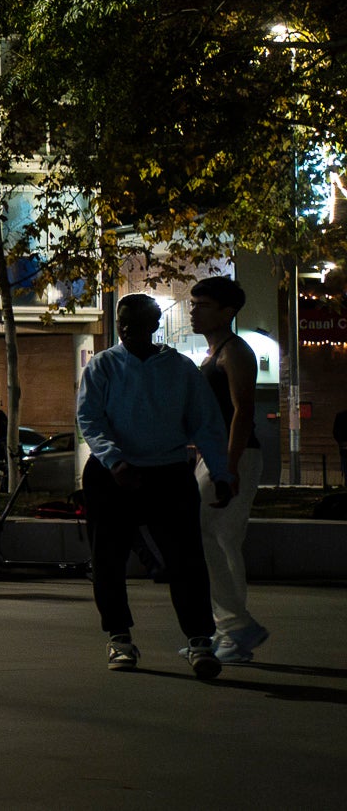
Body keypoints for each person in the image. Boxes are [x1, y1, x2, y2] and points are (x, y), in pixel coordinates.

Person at [77, 292, 233, 680]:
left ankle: (199, 640)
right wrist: (116, 461)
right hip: (113, 475)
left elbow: (207, 425)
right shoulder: (103, 366)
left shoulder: (180, 369)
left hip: (167, 473)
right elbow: (90, 420)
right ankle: (119, 636)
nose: (127, 328)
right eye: (122, 322)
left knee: (186, 559)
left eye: (136, 321)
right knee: (108, 560)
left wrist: (222, 473)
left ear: (155, 325)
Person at [185, 276, 267, 663]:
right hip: (215, 457)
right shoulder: (212, 352)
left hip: (236, 457)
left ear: (228, 311)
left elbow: (243, 410)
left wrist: (228, 467)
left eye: (202, 305)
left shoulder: (235, 351)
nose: (192, 311)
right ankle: (229, 630)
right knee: (213, 540)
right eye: (192, 303)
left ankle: (237, 627)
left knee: (214, 538)